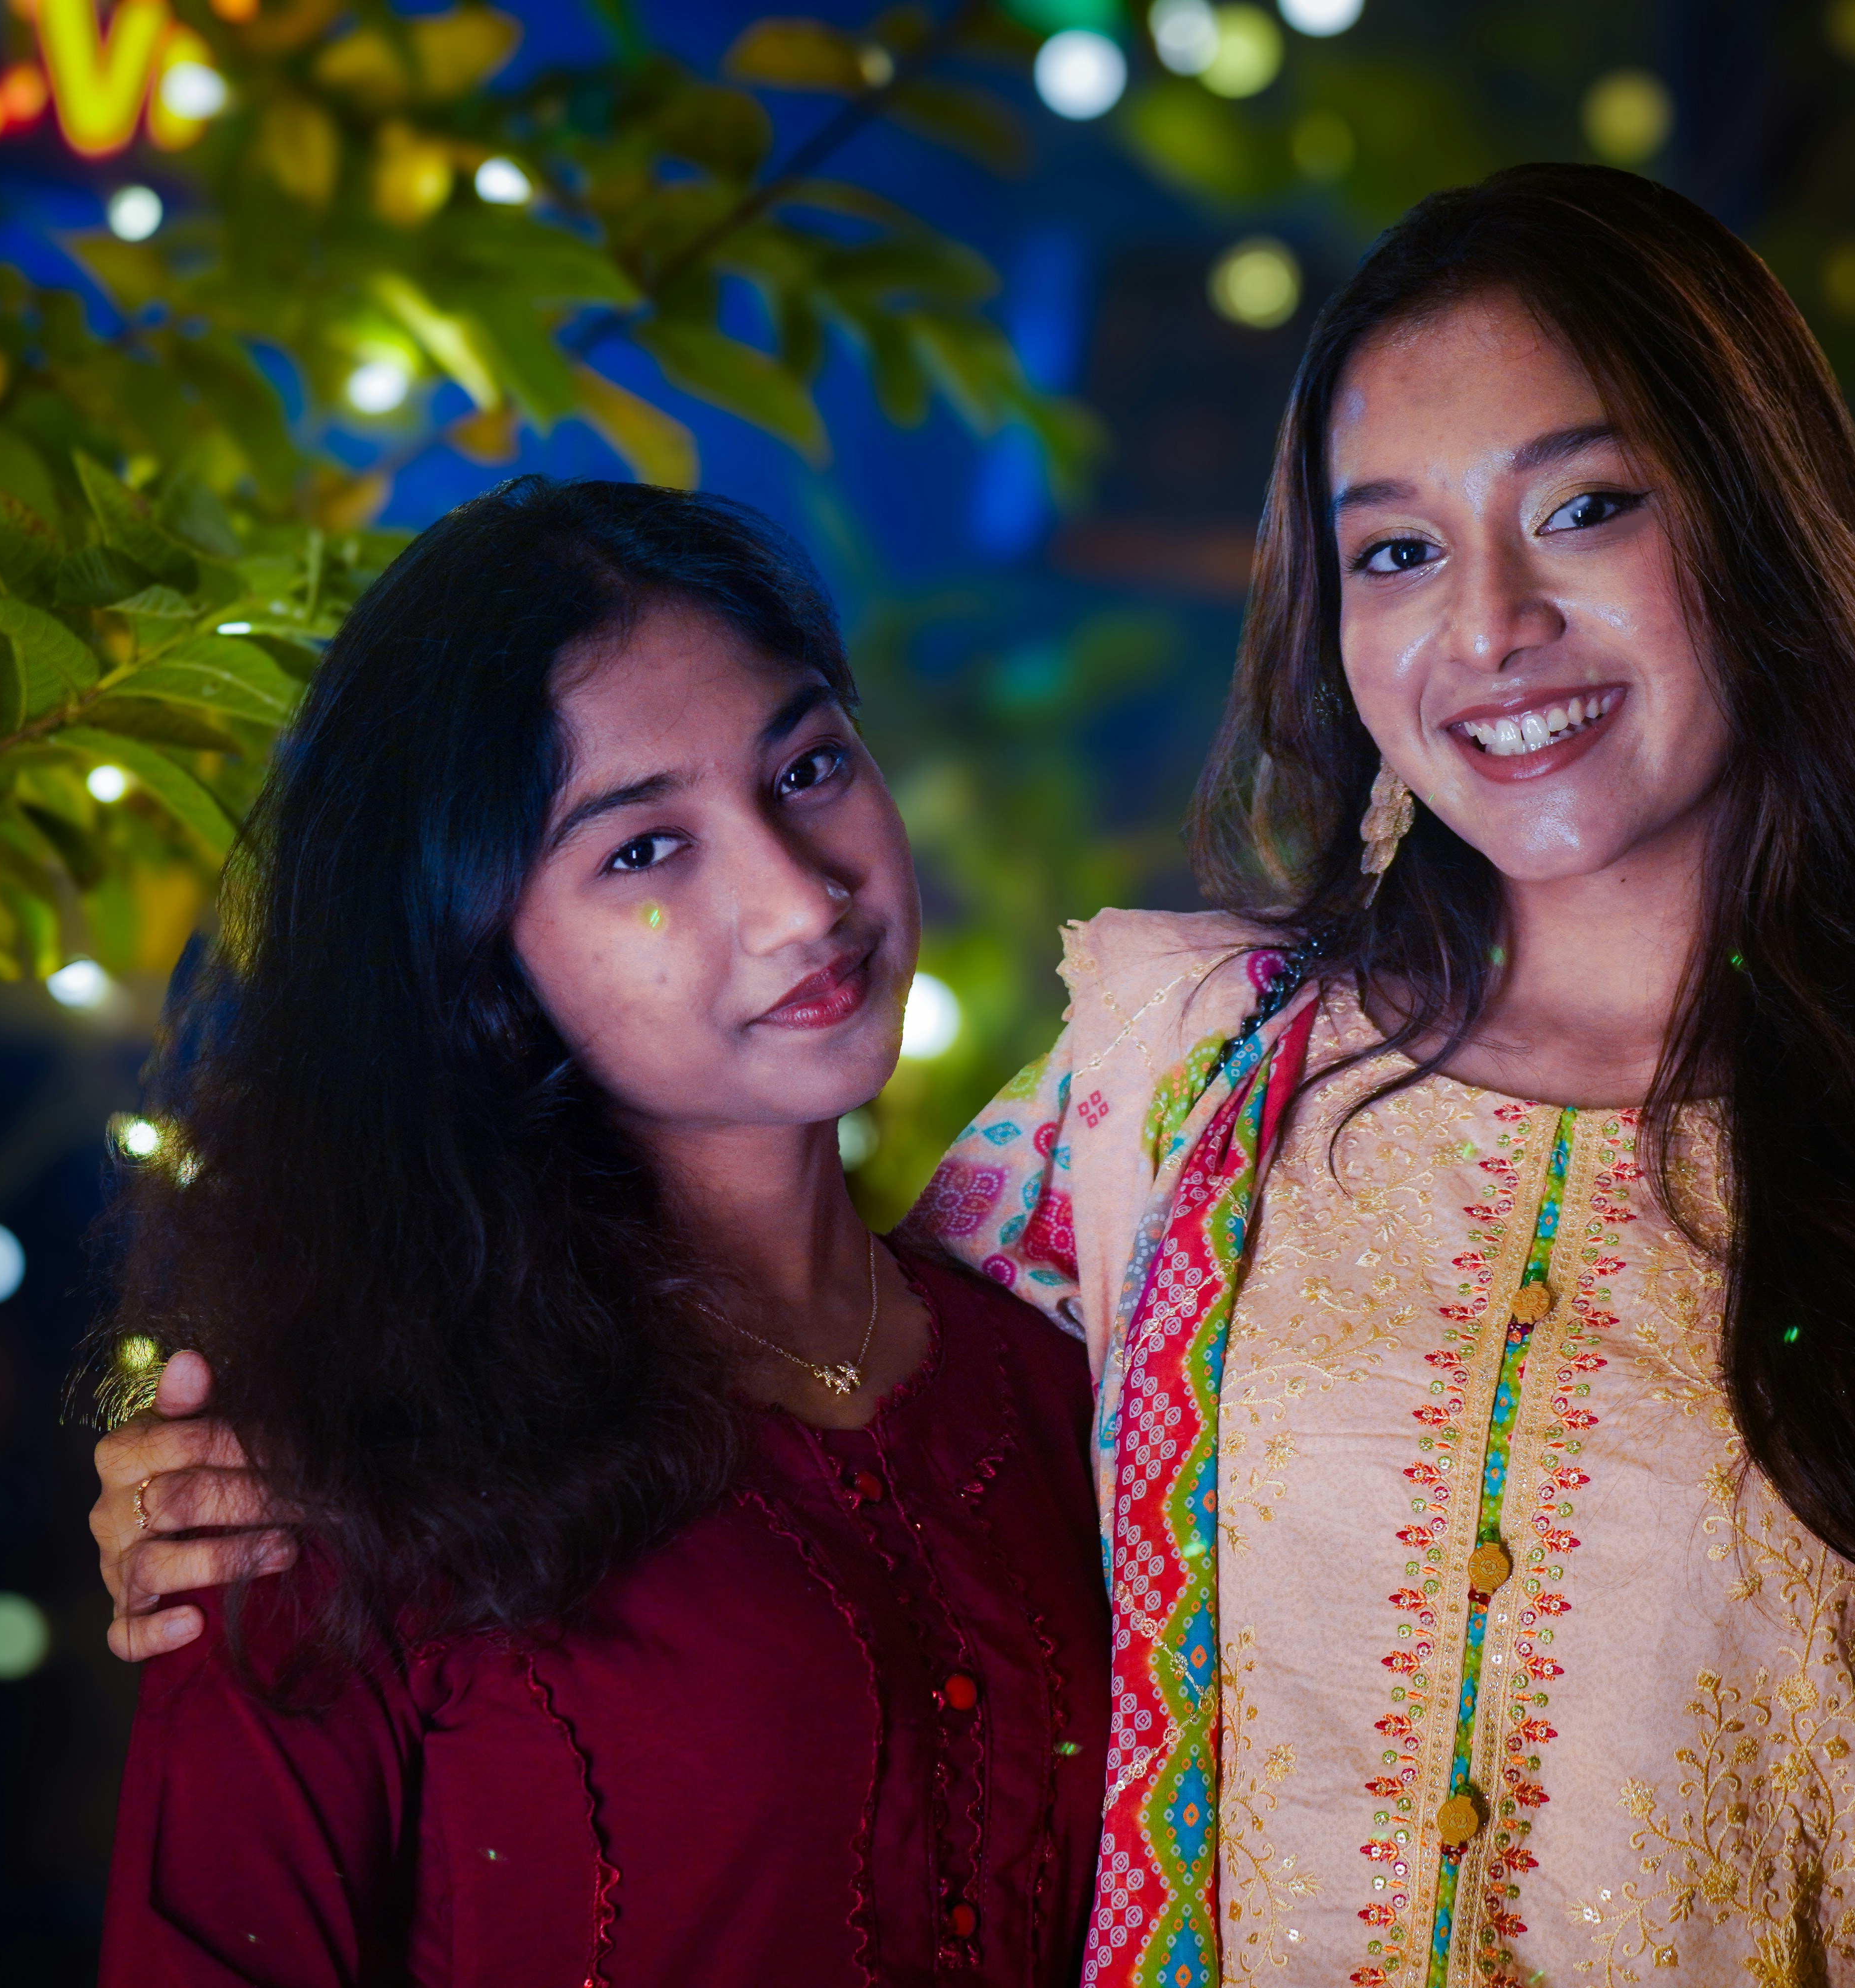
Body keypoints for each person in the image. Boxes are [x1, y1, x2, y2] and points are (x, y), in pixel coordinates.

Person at [94, 166, 1855, 1986]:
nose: (1489, 628)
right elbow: (803, 1377)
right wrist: (238, 1460)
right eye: (1396, 550)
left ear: (1762, 524)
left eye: (1588, 509)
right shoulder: (1179, 1077)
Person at [88, 477, 1109, 1987]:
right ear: (481, 955)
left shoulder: (1067, 1374)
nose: (798, 899)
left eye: (809, 766)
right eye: (641, 850)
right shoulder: (329, 1481)